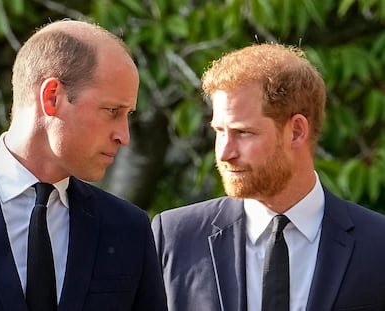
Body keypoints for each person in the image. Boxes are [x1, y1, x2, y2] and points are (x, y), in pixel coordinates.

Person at [151, 43, 385, 311]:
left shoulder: (378, 245)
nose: (224, 153)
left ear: (296, 131)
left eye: (243, 132)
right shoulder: (175, 237)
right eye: (219, 131)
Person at [0, 20, 167, 311]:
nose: (123, 136)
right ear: (52, 97)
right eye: (112, 111)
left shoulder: (129, 229)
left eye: (128, 114)